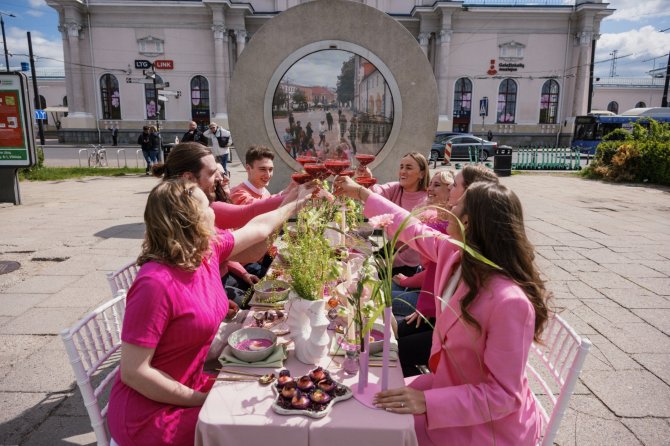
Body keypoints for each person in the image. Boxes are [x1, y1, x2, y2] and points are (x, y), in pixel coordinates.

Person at [334, 176, 550, 446]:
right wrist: (363, 194)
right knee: (365, 405)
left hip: (485, 426)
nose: (448, 207)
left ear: (468, 222)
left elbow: (504, 396)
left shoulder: (510, 302)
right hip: (449, 388)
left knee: (374, 428)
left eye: (456, 204)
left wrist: (427, 401)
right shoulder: (456, 253)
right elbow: (411, 228)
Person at [107, 178, 311, 446]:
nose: (215, 209)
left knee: (269, 398)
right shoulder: (154, 283)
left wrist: (297, 204)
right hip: (151, 414)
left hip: (190, 385)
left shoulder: (204, 253)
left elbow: (259, 227)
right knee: (260, 427)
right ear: (190, 221)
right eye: (208, 205)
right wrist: (201, 400)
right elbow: (134, 372)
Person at [395, 165, 499, 377]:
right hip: (436, 319)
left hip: (444, 335)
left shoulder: (498, 290)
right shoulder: (460, 245)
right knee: (389, 340)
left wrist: (428, 397)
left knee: (391, 349)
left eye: (455, 186)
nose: (451, 192)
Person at [358, 152, 430, 277]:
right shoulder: (395, 188)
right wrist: (367, 180)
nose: (402, 171)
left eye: (408, 167)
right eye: (401, 167)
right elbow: (374, 195)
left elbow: (416, 249)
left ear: (422, 174)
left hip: (404, 264)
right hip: (382, 248)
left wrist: (388, 262)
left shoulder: (427, 201)